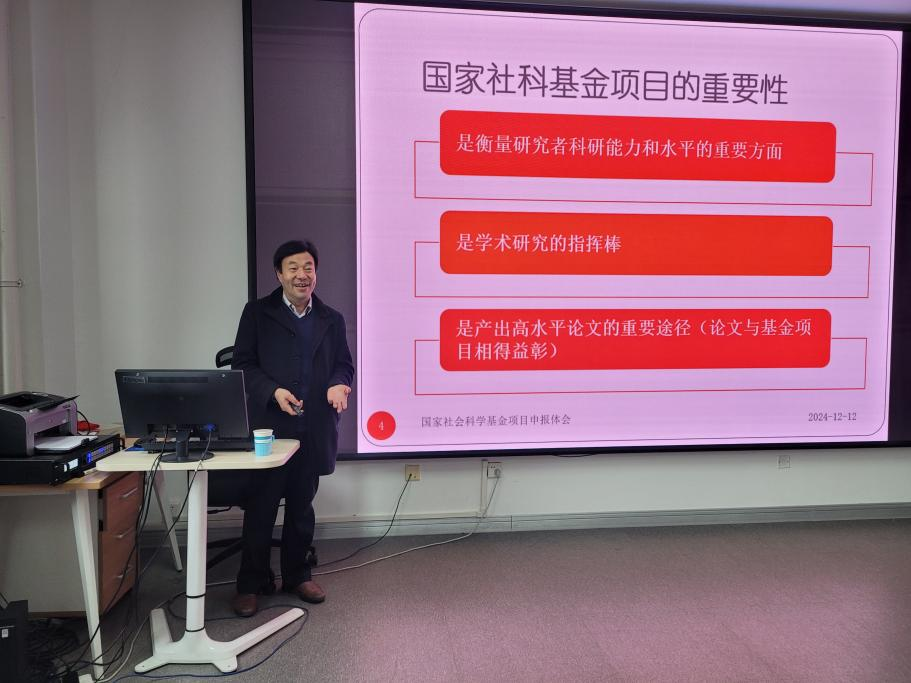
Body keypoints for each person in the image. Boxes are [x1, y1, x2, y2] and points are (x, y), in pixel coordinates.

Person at [229, 239, 353, 617]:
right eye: (293, 268)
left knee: (302, 507)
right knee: (261, 507)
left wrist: (338, 384)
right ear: (279, 274)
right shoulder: (257, 313)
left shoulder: (332, 319)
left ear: (316, 272)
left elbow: (344, 365)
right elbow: (243, 365)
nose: (302, 275)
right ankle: (251, 583)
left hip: (313, 428)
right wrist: (273, 391)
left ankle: (298, 575)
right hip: (270, 429)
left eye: (308, 267)